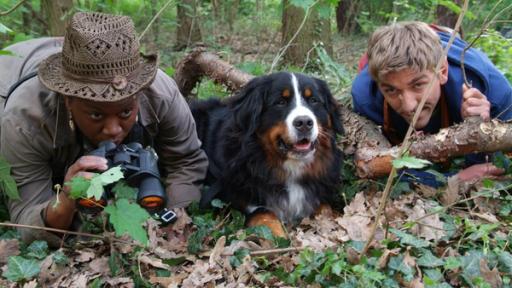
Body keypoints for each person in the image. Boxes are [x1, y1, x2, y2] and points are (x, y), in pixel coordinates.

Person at [0, 12, 208, 246]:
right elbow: (25, 221)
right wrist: (66, 201)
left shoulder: (159, 92)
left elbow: (187, 160)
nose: (113, 129)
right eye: (97, 114)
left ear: (138, 96)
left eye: (125, 112)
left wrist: (173, 215)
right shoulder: (25, 119)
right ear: (68, 100)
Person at [351, 21, 512, 184]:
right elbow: (373, 168)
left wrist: (480, 128)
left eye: (418, 85)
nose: (409, 106)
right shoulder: (366, 97)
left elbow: (492, 167)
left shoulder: (492, 90)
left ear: (442, 71)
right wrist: (452, 180)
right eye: (391, 90)